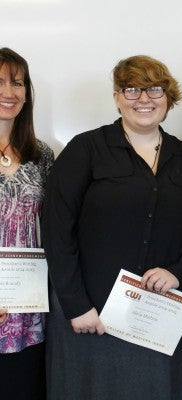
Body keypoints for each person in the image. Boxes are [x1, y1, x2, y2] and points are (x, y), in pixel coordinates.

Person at [42, 55, 182, 400]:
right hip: (91, 316)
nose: (143, 99)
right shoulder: (85, 150)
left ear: (169, 98)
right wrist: (75, 304)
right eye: (132, 89)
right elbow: (56, 229)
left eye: (154, 89)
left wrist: (179, 271)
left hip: (160, 316)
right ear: (116, 97)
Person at [0, 47, 54, 400]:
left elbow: (55, 226)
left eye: (17, 83)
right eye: (0, 81)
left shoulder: (43, 155)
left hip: (27, 309)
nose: (9, 92)